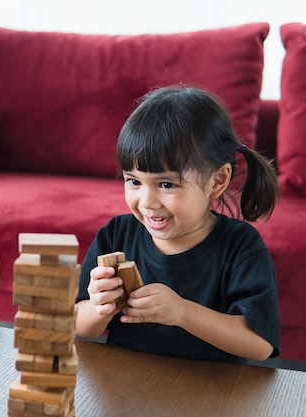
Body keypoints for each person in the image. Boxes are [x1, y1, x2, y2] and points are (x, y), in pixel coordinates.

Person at [75, 86, 281, 363]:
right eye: (133, 181)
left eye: (167, 184)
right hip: (127, 385)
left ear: (216, 181)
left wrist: (183, 313)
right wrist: (100, 308)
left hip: (213, 393)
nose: (147, 201)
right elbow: (79, 325)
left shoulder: (241, 247)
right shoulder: (116, 235)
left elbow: (261, 344)